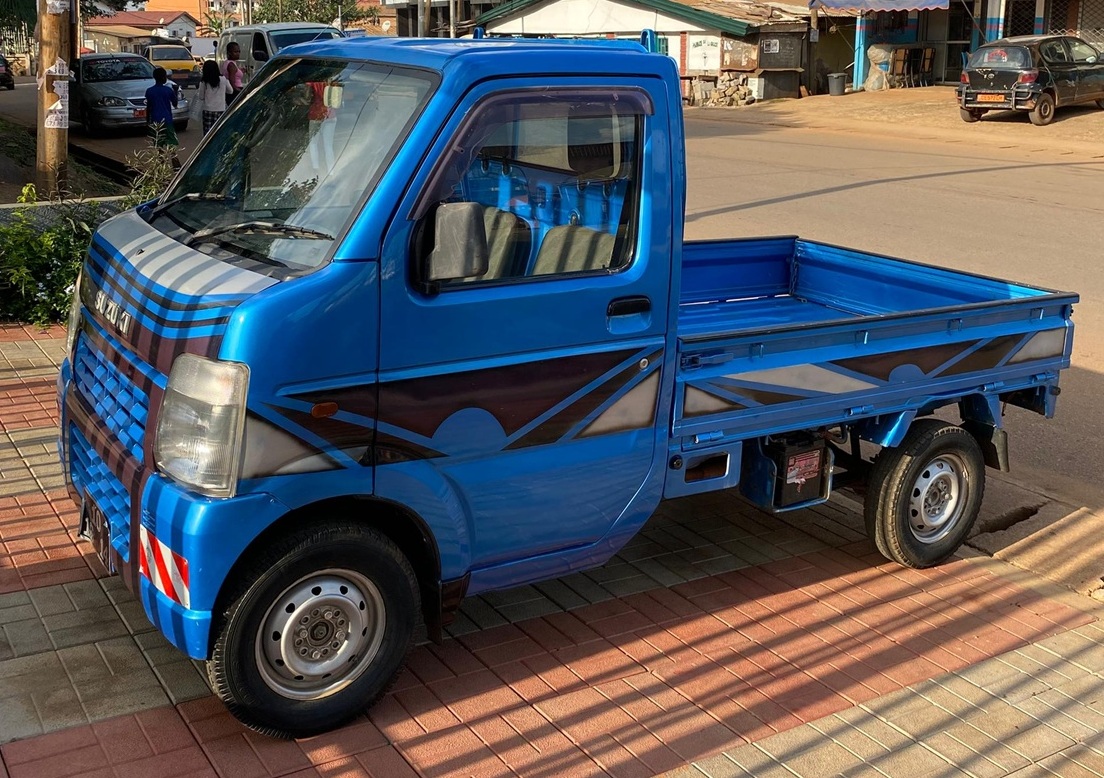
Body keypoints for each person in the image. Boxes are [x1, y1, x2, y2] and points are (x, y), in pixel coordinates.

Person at [145, 66, 179, 151]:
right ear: (164, 77)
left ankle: (160, 161)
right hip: (167, 119)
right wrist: (175, 91)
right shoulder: (168, 90)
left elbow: (148, 107)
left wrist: (147, 121)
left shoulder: (149, 91)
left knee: (158, 143)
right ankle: (174, 159)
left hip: (155, 120)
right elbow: (175, 103)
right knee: (171, 142)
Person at [196, 59, 232, 134]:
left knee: (208, 133)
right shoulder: (223, 79)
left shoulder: (204, 81)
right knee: (218, 131)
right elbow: (230, 91)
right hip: (220, 109)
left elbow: (201, 97)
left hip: (208, 110)